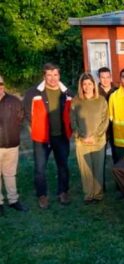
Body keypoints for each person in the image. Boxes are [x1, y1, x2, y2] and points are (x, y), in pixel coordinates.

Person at [23, 63, 74, 209]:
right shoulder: (33, 93)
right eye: (49, 75)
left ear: (59, 75)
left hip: (61, 137)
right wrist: (35, 126)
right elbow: (27, 112)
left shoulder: (67, 93)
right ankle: (42, 195)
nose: (53, 78)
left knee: (63, 166)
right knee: (40, 168)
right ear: (44, 76)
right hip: (42, 138)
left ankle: (63, 192)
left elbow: (73, 112)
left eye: (55, 75)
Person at [70, 73, 109, 204]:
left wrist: (95, 135)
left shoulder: (101, 100)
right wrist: (82, 136)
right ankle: (88, 194)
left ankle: (98, 194)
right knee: (85, 169)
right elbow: (73, 121)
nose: (87, 86)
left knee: (98, 167)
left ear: (94, 85)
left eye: (90, 84)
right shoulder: (76, 101)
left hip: (98, 141)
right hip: (82, 141)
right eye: (84, 84)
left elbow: (105, 120)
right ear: (81, 86)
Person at [0, 75, 28, 216]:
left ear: (3, 85)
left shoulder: (14, 101)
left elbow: (21, 117)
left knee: (10, 174)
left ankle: (13, 200)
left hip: (11, 144)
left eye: (0, 84)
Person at [97, 67, 118, 192]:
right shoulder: (95, 92)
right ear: (99, 78)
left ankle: (119, 185)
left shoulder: (117, 91)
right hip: (100, 129)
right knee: (100, 159)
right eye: (102, 77)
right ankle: (100, 186)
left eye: (107, 77)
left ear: (111, 77)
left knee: (117, 158)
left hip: (115, 128)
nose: (105, 80)